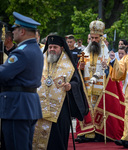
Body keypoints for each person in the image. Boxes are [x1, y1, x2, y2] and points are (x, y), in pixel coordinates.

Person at [32, 35, 88, 150]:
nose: (52, 49)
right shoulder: (40, 61)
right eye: (50, 47)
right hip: (39, 108)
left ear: (61, 48)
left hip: (60, 110)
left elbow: (77, 83)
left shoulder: (69, 65)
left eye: (55, 47)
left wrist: (70, 86)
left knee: (56, 141)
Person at [75, 20, 125, 143]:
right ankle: (87, 133)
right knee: (88, 108)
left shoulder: (107, 54)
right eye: (91, 37)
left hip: (102, 87)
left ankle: (100, 133)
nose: (93, 40)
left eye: (96, 38)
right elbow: (79, 71)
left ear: (101, 38)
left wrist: (107, 67)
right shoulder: (84, 53)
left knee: (101, 111)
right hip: (87, 87)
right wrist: (80, 68)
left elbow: (112, 72)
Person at [0, 11, 43, 150]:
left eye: (15, 29)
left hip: (17, 107)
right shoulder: (34, 49)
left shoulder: (21, 52)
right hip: (26, 105)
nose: (12, 33)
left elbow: (3, 75)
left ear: (22, 31)